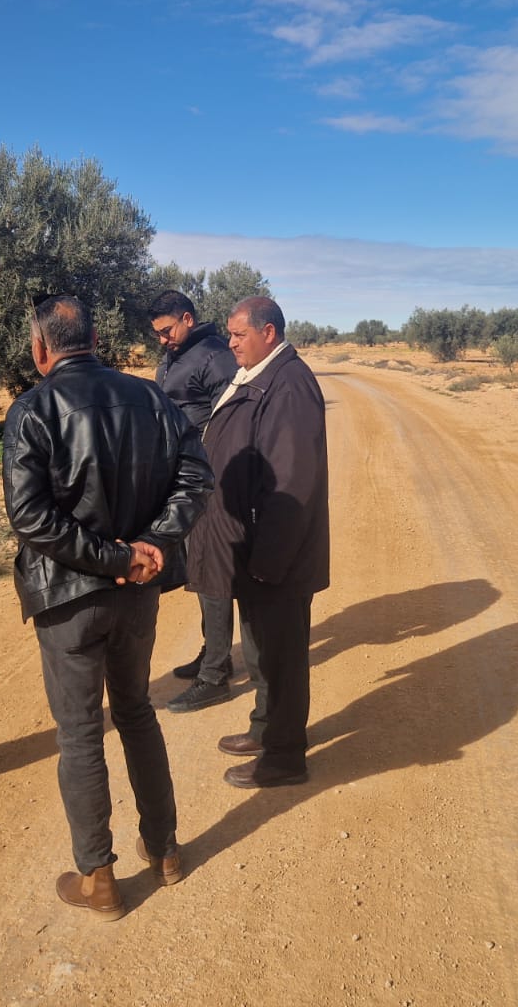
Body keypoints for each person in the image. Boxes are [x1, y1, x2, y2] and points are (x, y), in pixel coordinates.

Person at [3, 296, 213, 919]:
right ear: (94, 339)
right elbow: (195, 480)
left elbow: (30, 517)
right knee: (137, 713)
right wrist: (148, 547)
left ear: (41, 348)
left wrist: (116, 556)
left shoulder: (33, 409)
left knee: (80, 734)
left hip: (70, 598)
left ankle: (99, 878)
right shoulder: (150, 398)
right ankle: (165, 851)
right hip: (135, 593)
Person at [187, 296, 329, 788]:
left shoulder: (288, 385)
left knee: (282, 658)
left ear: (268, 333)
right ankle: (265, 728)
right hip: (253, 549)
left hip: (276, 557)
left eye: (238, 334)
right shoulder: (258, 375)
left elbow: (292, 483)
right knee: (261, 652)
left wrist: (270, 561)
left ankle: (285, 758)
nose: (229, 343)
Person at [147, 290, 240, 714]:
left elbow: (230, 422)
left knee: (212, 573)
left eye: (167, 330)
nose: (162, 339)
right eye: (158, 334)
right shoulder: (177, 354)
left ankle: (215, 676)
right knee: (200, 572)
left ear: (187, 318)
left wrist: (205, 473)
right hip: (185, 480)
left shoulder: (214, 356)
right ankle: (212, 652)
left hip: (208, 481)